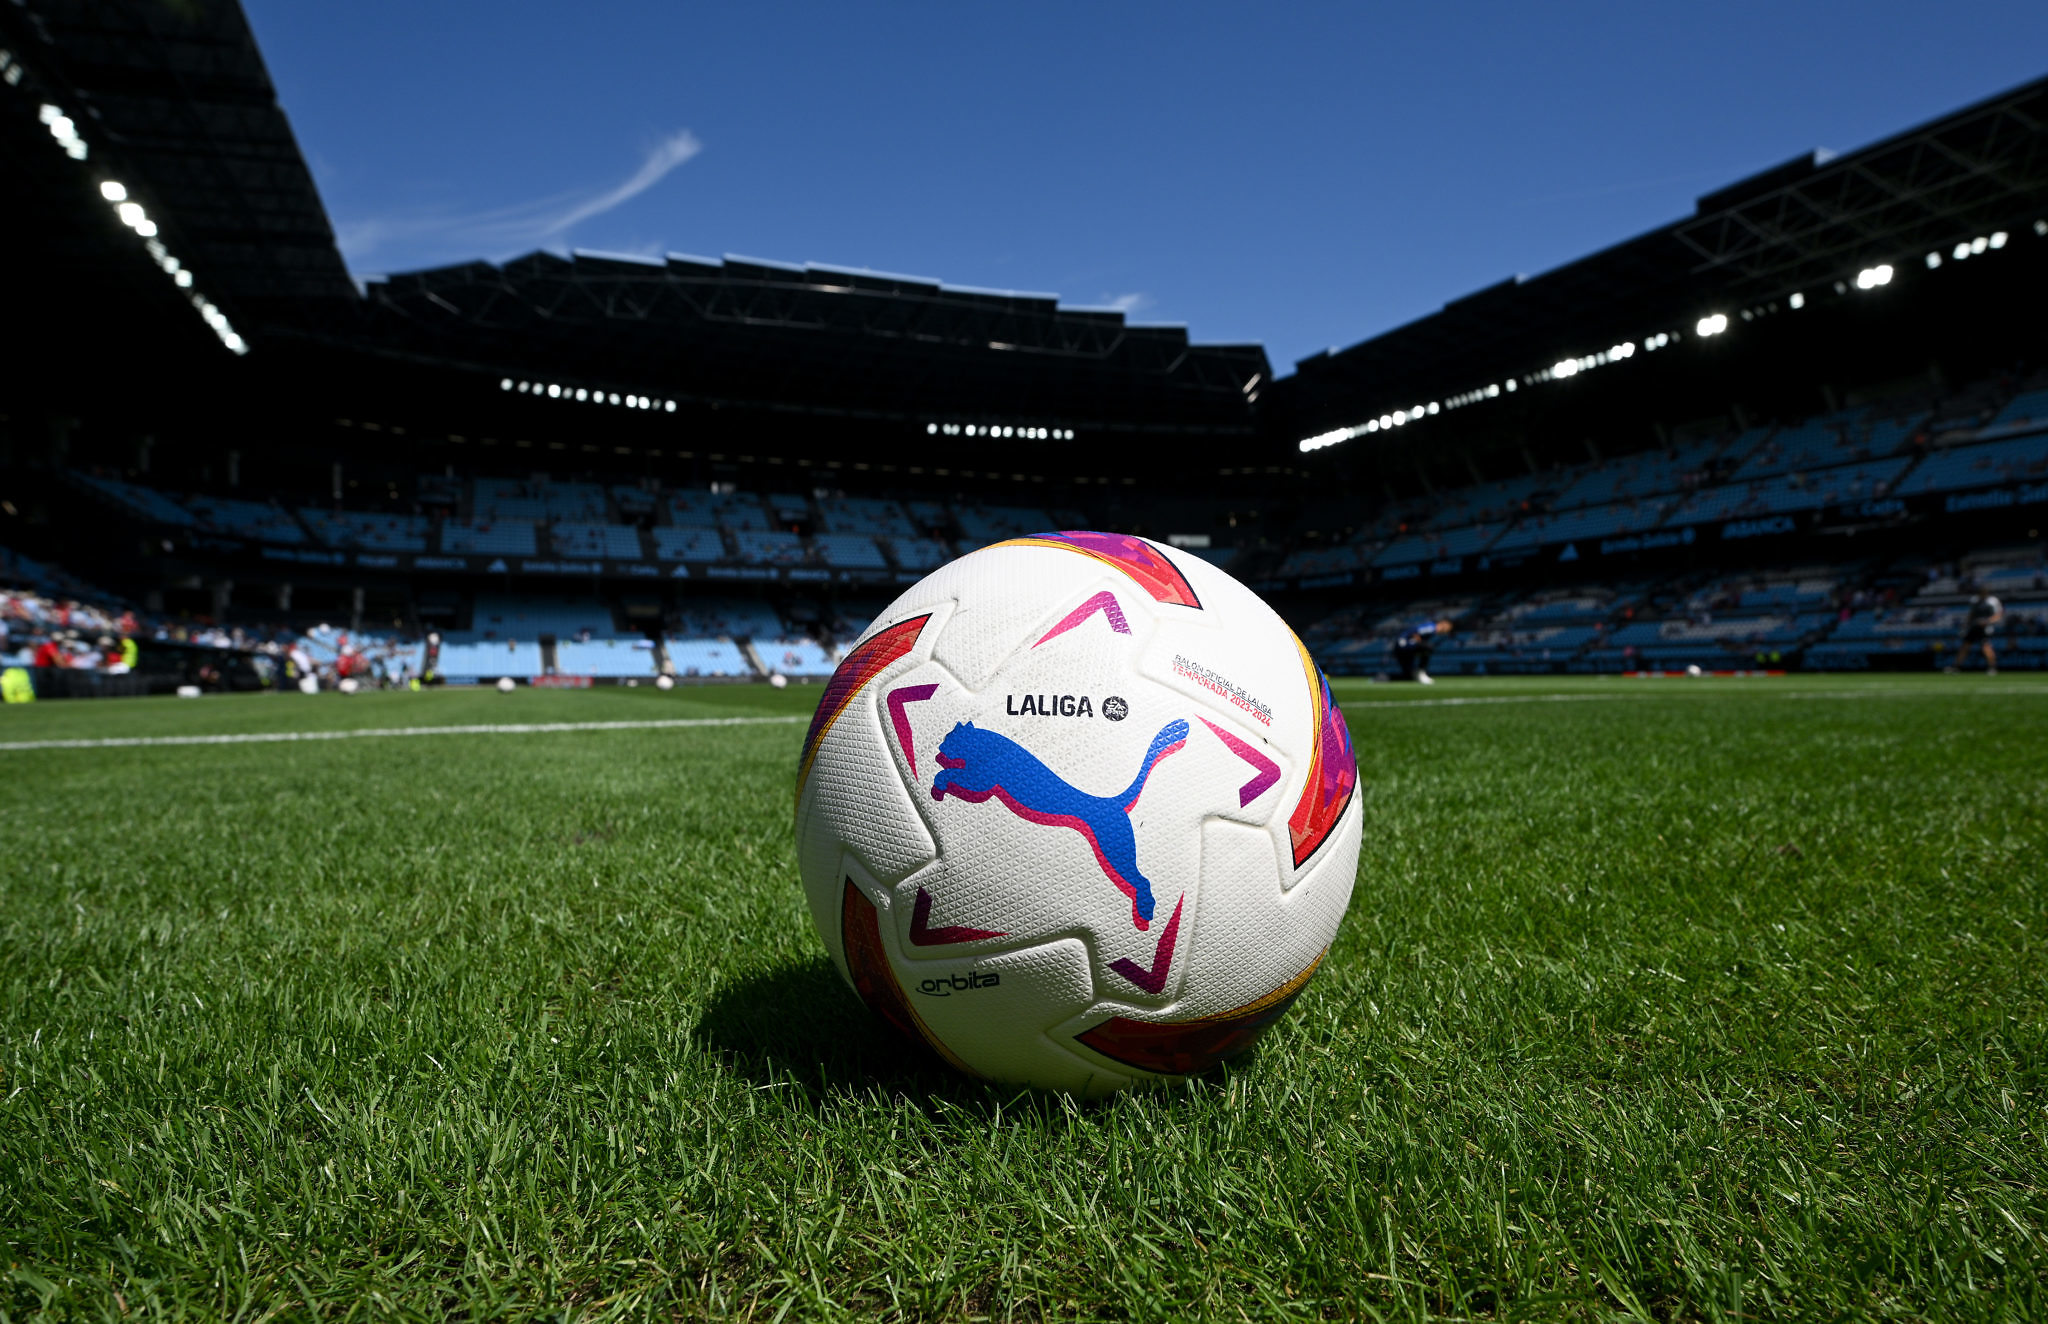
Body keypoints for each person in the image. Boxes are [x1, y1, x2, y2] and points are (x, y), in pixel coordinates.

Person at [1947, 592, 2003, 675]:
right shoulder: (1975, 600)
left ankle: (1992, 667)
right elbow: (1971, 614)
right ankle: (1956, 666)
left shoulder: (1992, 601)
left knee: (1986, 646)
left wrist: (1987, 621)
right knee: (1965, 646)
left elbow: (1998, 615)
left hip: (1984, 628)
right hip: (1974, 627)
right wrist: (1966, 624)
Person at [1391, 618, 1452, 684]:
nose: (1447, 631)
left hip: (1405, 646)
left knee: (1408, 675)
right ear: (1444, 624)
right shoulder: (1431, 628)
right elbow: (1415, 632)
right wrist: (1420, 643)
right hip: (1404, 644)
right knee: (1427, 647)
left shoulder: (1432, 629)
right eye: (1448, 628)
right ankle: (1421, 672)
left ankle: (1417, 673)